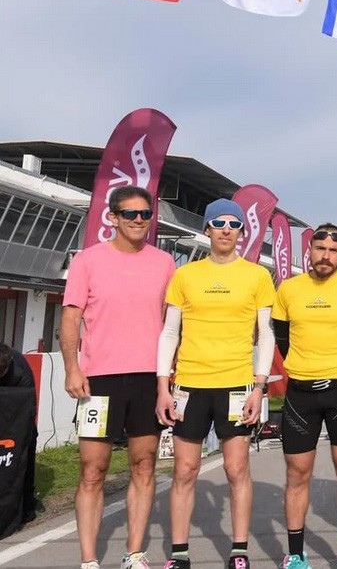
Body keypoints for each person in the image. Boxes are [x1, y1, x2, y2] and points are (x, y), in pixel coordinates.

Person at [154, 199, 276, 569]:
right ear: (206, 229)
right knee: (184, 471)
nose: (226, 230)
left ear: (241, 232)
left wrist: (259, 386)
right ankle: (179, 554)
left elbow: (265, 334)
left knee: (237, 470)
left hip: (237, 385)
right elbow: (169, 332)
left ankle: (239, 551)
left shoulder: (257, 276)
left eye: (234, 224)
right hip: (189, 384)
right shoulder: (185, 275)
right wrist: (163, 386)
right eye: (219, 223)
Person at [60, 185, 176, 569]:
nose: (139, 220)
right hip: (100, 381)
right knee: (92, 471)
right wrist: (72, 368)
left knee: (144, 466)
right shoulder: (87, 261)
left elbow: (172, 323)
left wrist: (169, 377)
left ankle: (134, 553)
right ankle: (89, 560)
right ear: (112, 217)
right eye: (130, 214)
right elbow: (71, 318)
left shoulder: (165, 263)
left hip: (148, 378)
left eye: (145, 214)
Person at [273, 224, 337, 569]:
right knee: (297, 474)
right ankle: (296, 555)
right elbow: (283, 338)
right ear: (310, 250)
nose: (326, 256)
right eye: (320, 249)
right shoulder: (289, 289)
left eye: (333, 251)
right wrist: (306, 365)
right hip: (300, 394)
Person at [0, 342, 38, 525]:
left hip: (17, 412)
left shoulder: (21, 373)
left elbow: (27, 413)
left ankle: (26, 505)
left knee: (26, 447)